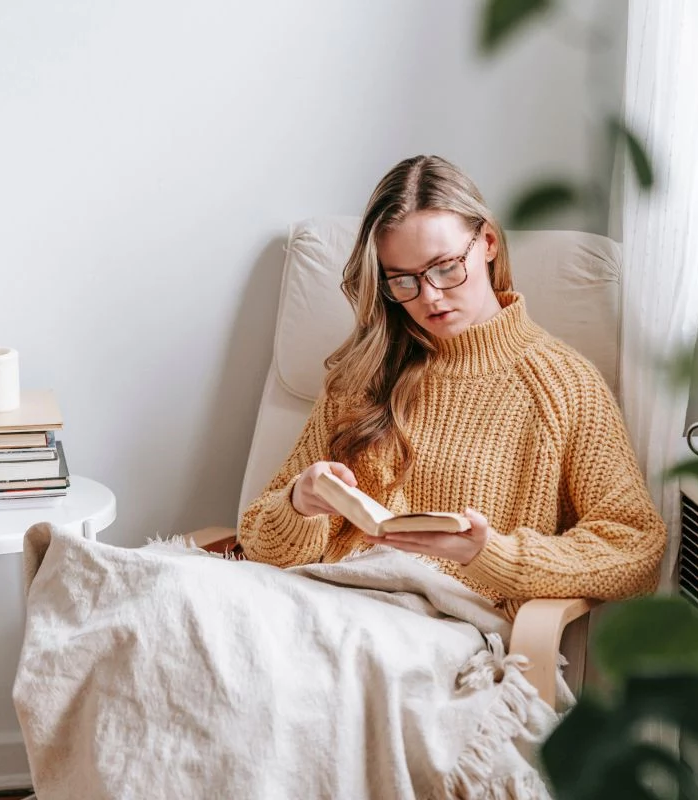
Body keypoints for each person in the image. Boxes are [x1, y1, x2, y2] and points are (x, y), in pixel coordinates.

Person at [238, 155, 666, 618]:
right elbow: (259, 542)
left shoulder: (564, 386)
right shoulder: (364, 374)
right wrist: (299, 503)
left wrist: (489, 555)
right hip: (322, 604)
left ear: (486, 242)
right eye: (402, 280)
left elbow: (635, 549)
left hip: (439, 630)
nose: (429, 297)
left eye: (444, 267)